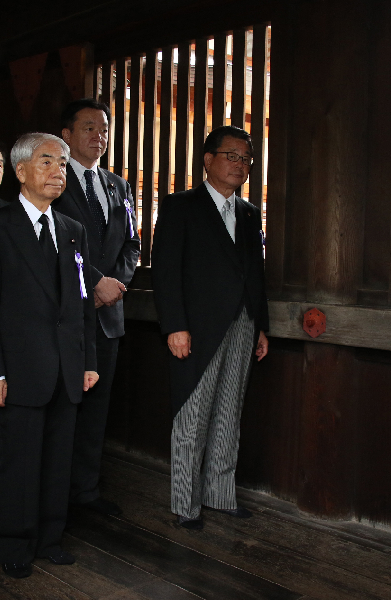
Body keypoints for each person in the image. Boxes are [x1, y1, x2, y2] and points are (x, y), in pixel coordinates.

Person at [0, 132, 98, 579]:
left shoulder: (72, 230)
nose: (58, 171)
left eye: (62, 164)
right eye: (47, 162)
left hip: (66, 366)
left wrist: (88, 360)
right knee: (19, 461)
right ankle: (15, 541)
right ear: (20, 172)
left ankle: (50, 537)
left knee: (59, 458)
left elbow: (80, 304)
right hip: (17, 369)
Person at [151, 125, 269, 530]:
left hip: (242, 324)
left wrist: (262, 327)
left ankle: (220, 494)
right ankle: (186, 503)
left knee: (228, 412)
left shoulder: (250, 212)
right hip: (195, 327)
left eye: (246, 159)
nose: (240, 164)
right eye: (231, 155)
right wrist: (174, 326)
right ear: (208, 160)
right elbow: (166, 272)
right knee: (192, 413)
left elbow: (256, 275)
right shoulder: (180, 206)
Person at [52, 98, 140, 516]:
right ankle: (54, 496)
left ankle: (85, 493)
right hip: (65, 314)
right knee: (63, 408)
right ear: (66, 135)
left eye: (103, 128)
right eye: (88, 127)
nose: (98, 136)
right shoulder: (52, 178)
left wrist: (116, 282)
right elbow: (51, 243)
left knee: (96, 412)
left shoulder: (118, 186)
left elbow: (132, 245)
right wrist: (93, 282)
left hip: (108, 316)